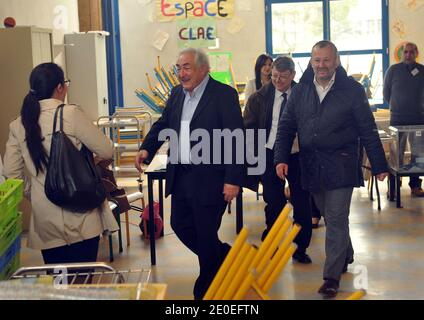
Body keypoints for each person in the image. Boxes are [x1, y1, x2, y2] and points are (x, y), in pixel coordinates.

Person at [274, 41, 388, 297]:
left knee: (335, 218)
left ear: (335, 62)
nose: (321, 65)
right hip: (312, 166)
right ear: (311, 62)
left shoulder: (352, 90)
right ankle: (345, 252)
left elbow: (367, 128)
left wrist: (379, 164)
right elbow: (285, 127)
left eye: (326, 60)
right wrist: (280, 157)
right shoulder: (301, 91)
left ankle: (331, 277)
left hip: (342, 164)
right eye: (317, 60)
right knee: (328, 213)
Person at [134, 48, 244, 300]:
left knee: (205, 234)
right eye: (178, 68)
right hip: (181, 175)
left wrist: (233, 179)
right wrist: (146, 148)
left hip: (211, 178)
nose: (181, 73)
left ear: (203, 69)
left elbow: (236, 140)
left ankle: (204, 292)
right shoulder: (176, 94)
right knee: (180, 224)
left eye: (187, 67)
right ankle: (224, 256)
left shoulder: (223, 95)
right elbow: (163, 122)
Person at [3, 63, 118, 265]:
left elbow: (12, 174)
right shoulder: (71, 114)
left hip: (45, 220)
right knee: (82, 284)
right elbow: (107, 150)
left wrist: (35, 193)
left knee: (59, 284)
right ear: (59, 87)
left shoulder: (18, 124)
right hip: (82, 216)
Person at [243, 56, 313, 264]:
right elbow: (248, 128)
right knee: (273, 201)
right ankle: (271, 242)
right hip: (269, 153)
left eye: (283, 77)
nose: (278, 80)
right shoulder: (259, 98)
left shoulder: (304, 95)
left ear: (293, 75)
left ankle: (300, 247)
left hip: (298, 154)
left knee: (301, 202)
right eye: (274, 76)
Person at [383, 42, 424, 197]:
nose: (408, 55)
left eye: (411, 52)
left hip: (419, 119)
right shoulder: (393, 70)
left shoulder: (422, 70)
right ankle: (393, 186)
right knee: (396, 154)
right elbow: (386, 93)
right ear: (401, 54)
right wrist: (397, 106)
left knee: (418, 154)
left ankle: (415, 185)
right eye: (405, 52)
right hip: (397, 119)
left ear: (416, 53)